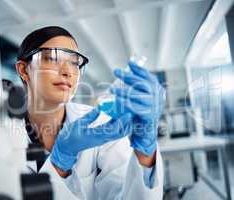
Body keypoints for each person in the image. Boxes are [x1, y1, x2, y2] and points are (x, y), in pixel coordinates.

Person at [15, 26, 164, 199]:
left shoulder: (99, 122)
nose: (67, 71)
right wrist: (59, 163)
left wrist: (145, 154)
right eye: (53, 58)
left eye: (74, 63)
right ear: (24, 70)